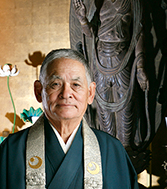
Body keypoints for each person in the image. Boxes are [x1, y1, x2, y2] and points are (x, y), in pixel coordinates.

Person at [0, 48, 139, 188]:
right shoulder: (12, 150)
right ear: (38, 91)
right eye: (55, 84)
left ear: (90, 93)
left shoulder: (111, 150)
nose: (66, 94)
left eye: (76, 85)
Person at [73, 0, 149, 148]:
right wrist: (82, 18)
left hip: (123, 58)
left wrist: (140, 67)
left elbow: (139, 34)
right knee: (104, 108)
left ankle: (125, 150)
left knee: (126, 108)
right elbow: (90, 33)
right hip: (100, 60)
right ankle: (106, 150)